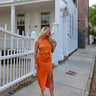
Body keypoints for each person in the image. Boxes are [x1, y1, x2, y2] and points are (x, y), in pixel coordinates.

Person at [34, 26, 57, 96]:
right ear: (43, 31)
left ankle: (52, 94)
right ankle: (42, 92)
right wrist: (35, 63)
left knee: (50, 78)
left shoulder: (50, 40)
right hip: (41, 62)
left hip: (48, 62)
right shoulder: (38, 40)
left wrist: (55, 43)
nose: (48, 32)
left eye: (49, 31)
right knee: (42, 78)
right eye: (47, 31)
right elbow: (35, 52)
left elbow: (52, 51)